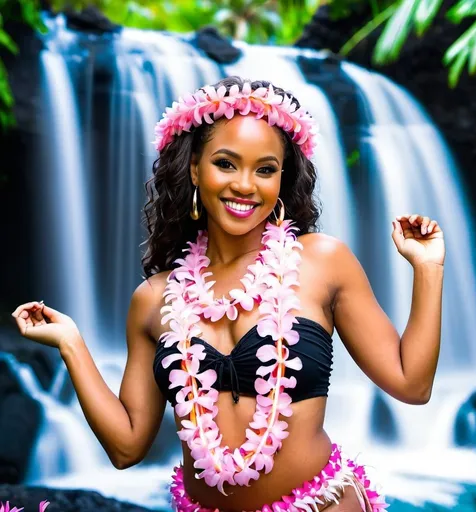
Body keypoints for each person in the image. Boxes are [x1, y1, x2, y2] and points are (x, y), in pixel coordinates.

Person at [12, 76, 445, 512]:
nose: (245, 185)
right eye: (226, 163)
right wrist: (71, 344)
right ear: (195, 169)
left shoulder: (321, 261)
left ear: (282, 178)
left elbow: (412, 384)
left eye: (265, 169)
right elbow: (126, 448)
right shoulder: (154, 299)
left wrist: (428, 269)